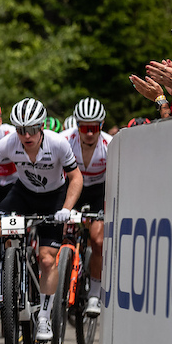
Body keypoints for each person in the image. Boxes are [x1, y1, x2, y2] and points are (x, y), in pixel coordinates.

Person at [0, 97, 82, 343]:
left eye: (33, 129)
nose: (27, 135)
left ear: (42, 126)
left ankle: (45, 315)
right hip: (22, 194)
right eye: (21, 130)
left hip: (54, 198)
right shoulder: (9, 142)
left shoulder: (58, 143)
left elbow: (76, 178)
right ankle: (1, 275)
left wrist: (67, 209)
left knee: (47, 259)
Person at [62, 97, 111, 316]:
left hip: (98, 191)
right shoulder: (65, 140)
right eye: (84, 127)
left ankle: (94, 293)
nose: (89, 133)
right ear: (77, 126)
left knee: (98, 240)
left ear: (101, 126)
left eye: (94, 128)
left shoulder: (110, 144)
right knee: (60, 231)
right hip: (72, 187)